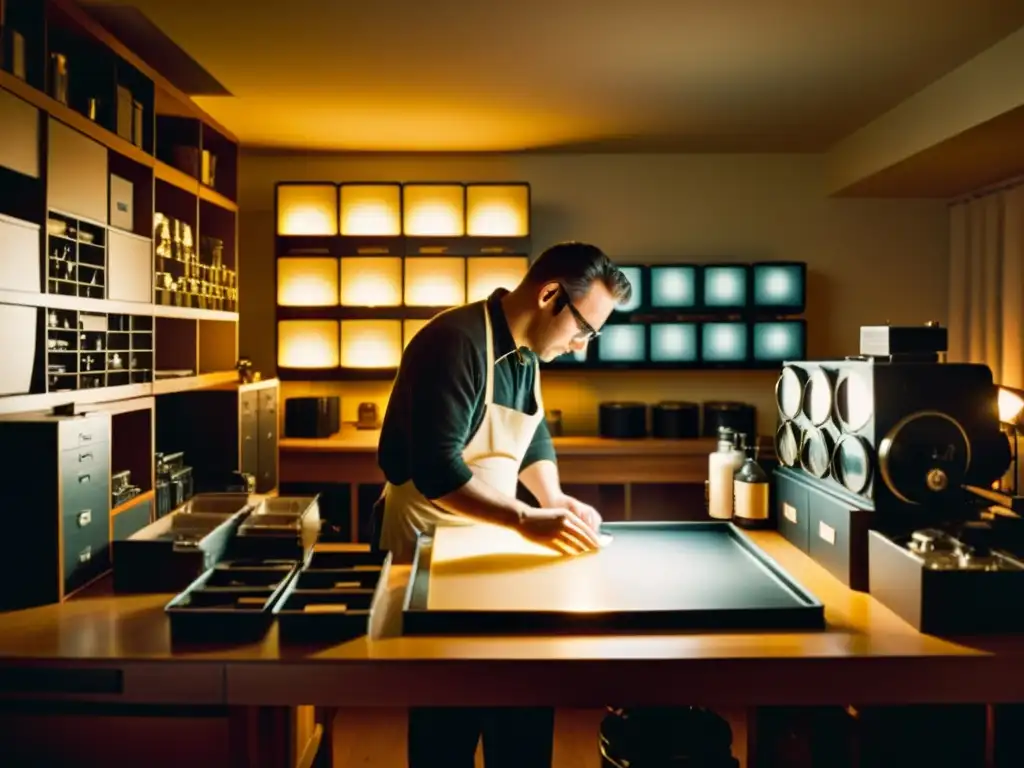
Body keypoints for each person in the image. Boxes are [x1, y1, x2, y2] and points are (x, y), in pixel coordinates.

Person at [372, 241, 633, 768]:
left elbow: (531, 434)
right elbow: (437, 471)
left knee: (521, 705)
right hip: (430, 542)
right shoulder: (455, 342)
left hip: (487, 536)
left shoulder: (527, 352)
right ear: (551, 295)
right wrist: (524, 518)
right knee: (447, 725)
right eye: (584, 329)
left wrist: (552, 497)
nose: (583, 345)